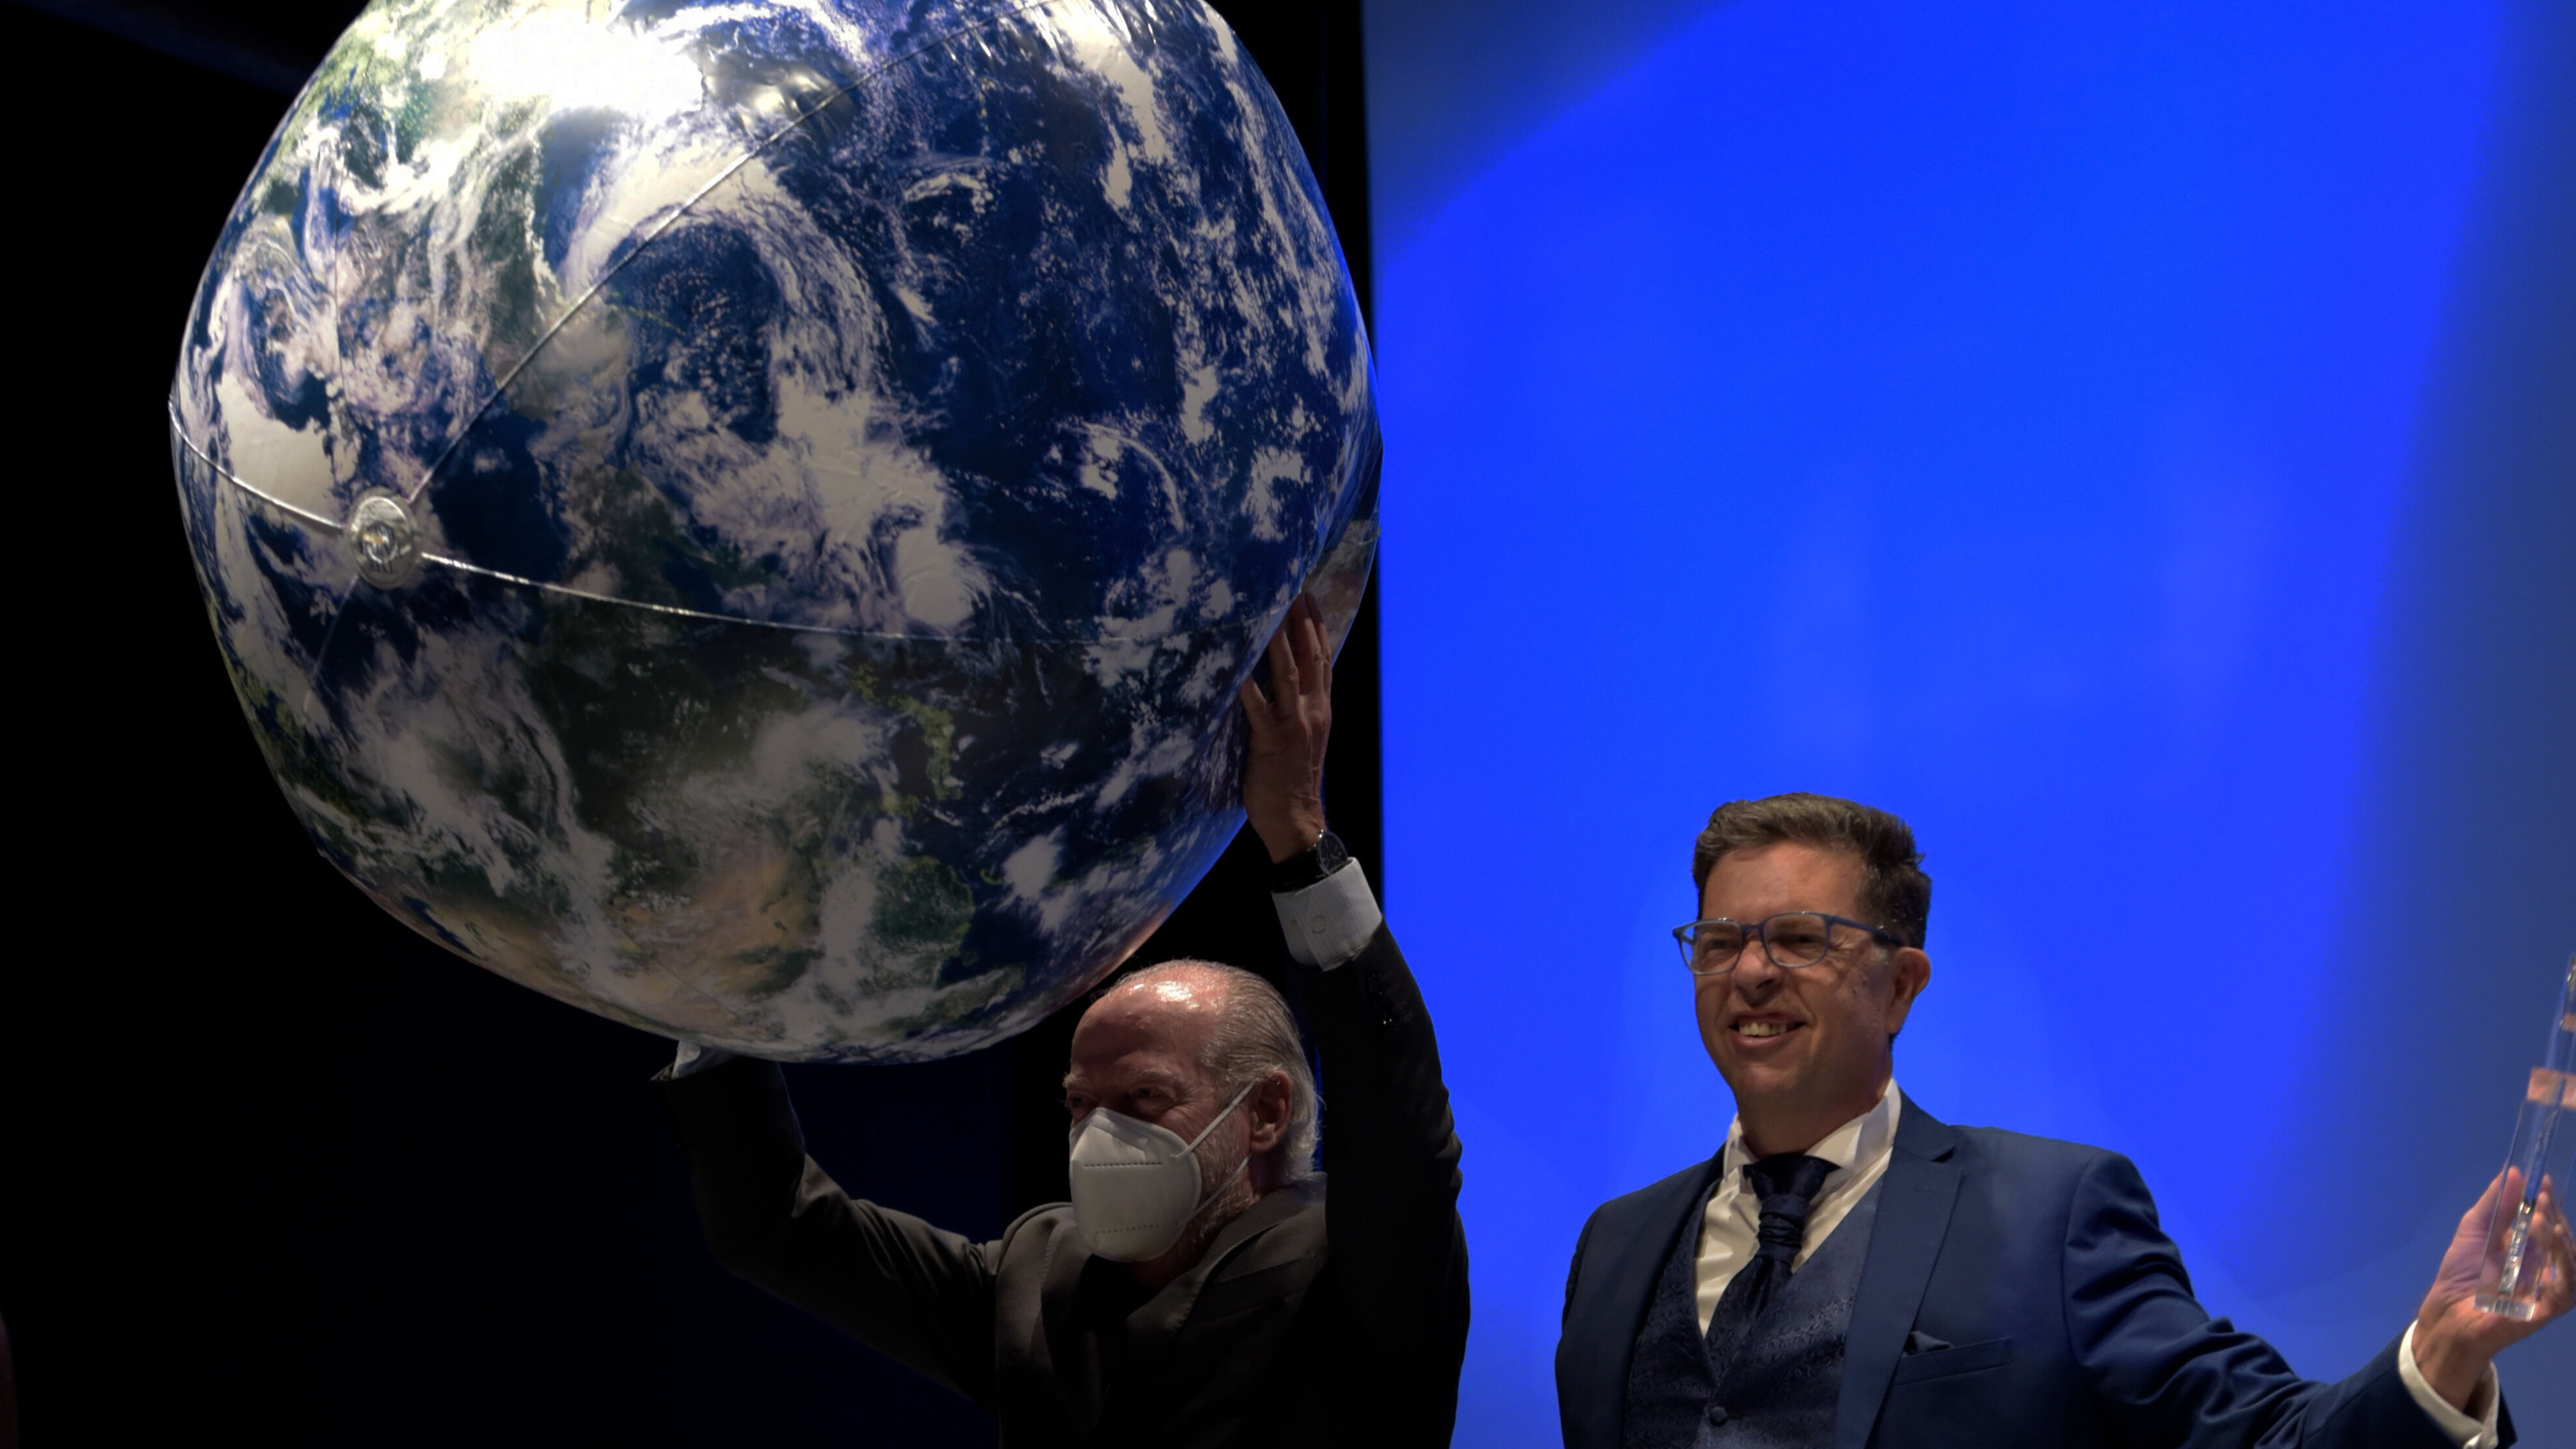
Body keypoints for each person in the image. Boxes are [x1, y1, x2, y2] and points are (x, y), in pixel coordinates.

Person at [660, 596, 1469, 1446]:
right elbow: (776, 1227)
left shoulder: (1357, 1265)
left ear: (1265, 1110)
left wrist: (1300, 841)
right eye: (1080, 1103)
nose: (1096, 1135)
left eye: (1144, 1096)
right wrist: (716, 984)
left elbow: (1399, 1127)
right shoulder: (1037, 1274)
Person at [1556, 792, 2571, 1449]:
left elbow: (2262, 1436)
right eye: (1719, 942)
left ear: (1900, 985)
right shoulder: (1616, 1246)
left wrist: (2442, 1354)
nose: (1749, 972)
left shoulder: (2053, 1214)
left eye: (1796, 938)